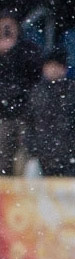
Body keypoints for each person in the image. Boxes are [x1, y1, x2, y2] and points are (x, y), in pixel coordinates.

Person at [23, 49, 75, 177]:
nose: (53, 70)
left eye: (56, 66)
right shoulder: (36, 93)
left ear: (64, 68)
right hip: (43, 156)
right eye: (49, 66)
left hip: (71, 157)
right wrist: (35, 148)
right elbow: (28, 123)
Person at [0, 11, 42, 175]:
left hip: (25, 114)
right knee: (3, 160)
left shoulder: (27, 49)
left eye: (10, 25)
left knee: (26, 159)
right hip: (3, 115)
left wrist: (13, 51)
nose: (6, 29)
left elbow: (34, 74)